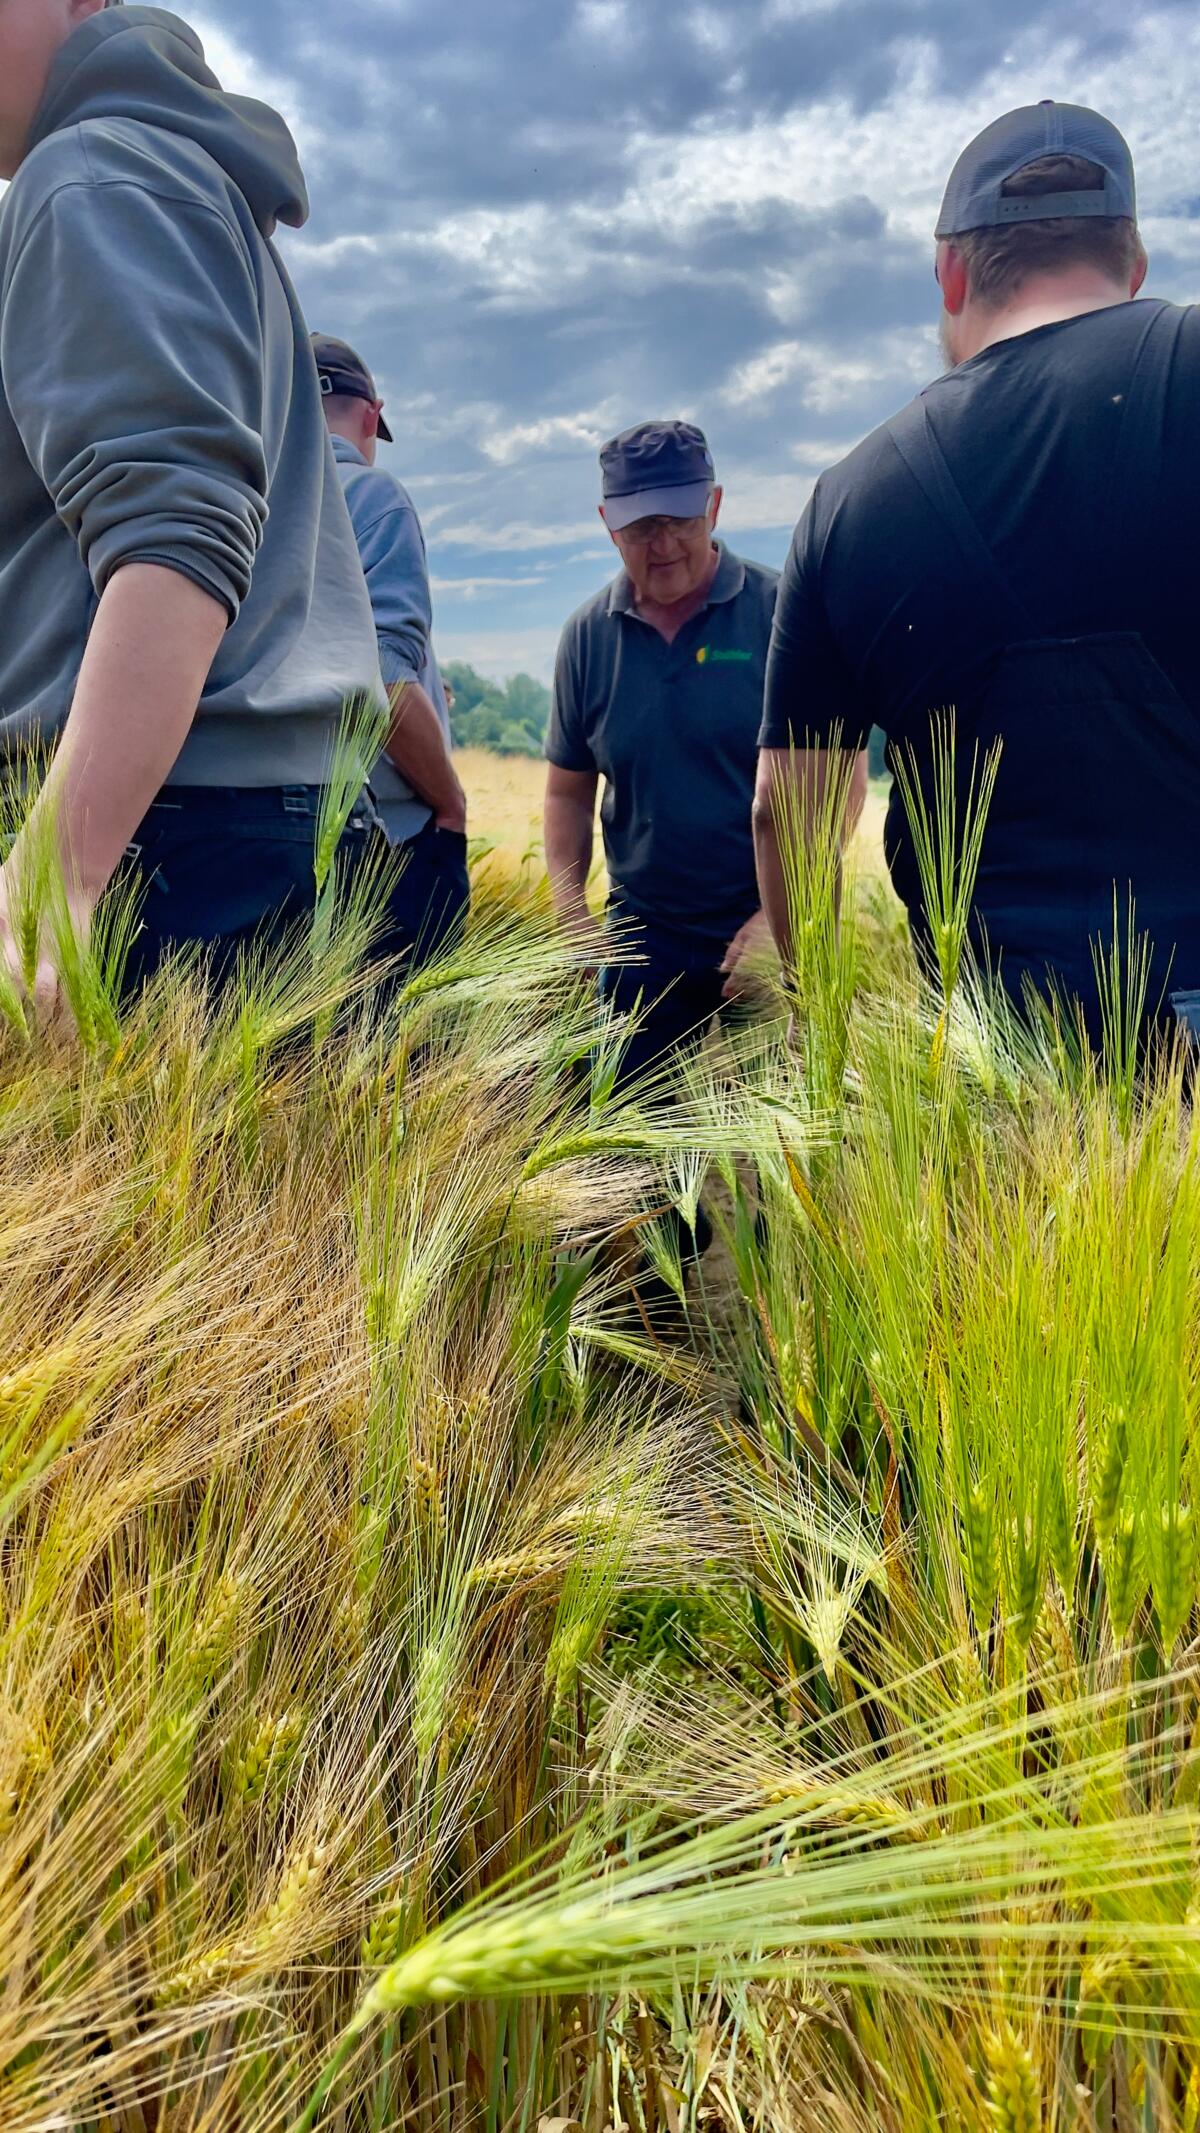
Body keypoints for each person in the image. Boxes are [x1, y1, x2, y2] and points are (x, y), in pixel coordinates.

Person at [755, 100, 1200, 1046]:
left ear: (951, 271)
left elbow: (784, 811)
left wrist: (817, 1020)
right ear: (1134, 261)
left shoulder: (850, 499)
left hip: (999, 1062)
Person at [0, 0, 389, 1013]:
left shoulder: (90, 173)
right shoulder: (168, 169)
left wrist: (58, 876)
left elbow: (178, 534)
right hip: (245, 824)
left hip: (160, 837)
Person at [544, 420, 778, 1095]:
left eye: (680, 518)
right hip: (642, 930)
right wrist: (570, 913)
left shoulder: (777, 612)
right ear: (608, 525)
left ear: (714, 504)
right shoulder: (588, 637)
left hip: (761, 920)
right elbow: (566, 792)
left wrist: (780, 919)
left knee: (776, 1164)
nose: (666, 543)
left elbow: (836, 777)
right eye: (642, 528)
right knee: (629, 1144)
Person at [313, 334, 470, 972]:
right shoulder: (375, 497)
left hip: (268, 836)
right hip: (383, 840)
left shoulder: (238, 496)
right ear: (372, 415)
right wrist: (450, 800)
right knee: (390, 1059)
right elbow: (381, 677)